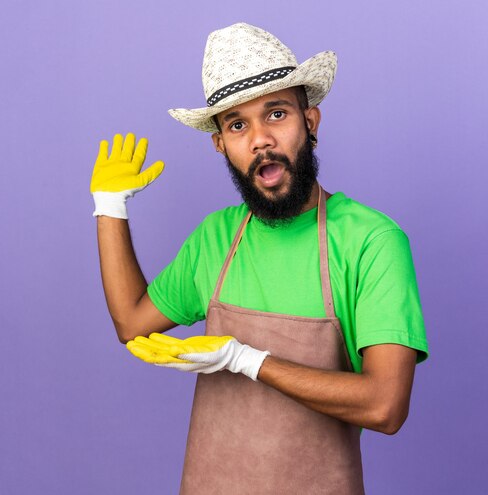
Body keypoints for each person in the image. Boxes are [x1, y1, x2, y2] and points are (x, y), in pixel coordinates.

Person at [91, 22, 429, 495]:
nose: (259, 140)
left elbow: (385, 406)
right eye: (236, 125)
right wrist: (110, 208)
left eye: (275, 114)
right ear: (220, 145)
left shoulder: (370, 241)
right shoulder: (217, 238)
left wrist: (244, 359)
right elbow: (132, 322)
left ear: (310, 122)